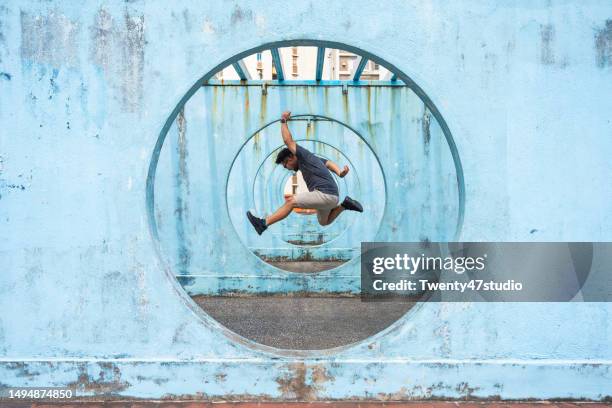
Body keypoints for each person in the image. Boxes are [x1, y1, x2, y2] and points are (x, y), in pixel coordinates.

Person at [247, 111, 363, 235]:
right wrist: (339, 172)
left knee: (291, 201)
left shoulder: (303, 156)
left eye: (285, 163)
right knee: (324, 221)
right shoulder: (311, 161)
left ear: (292, 157)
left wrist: (283, 120)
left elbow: (287, 140)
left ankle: (263, 223)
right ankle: (345, 205)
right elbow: (328, 163)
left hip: (325, 194)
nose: (286, 167)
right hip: (332, 197)